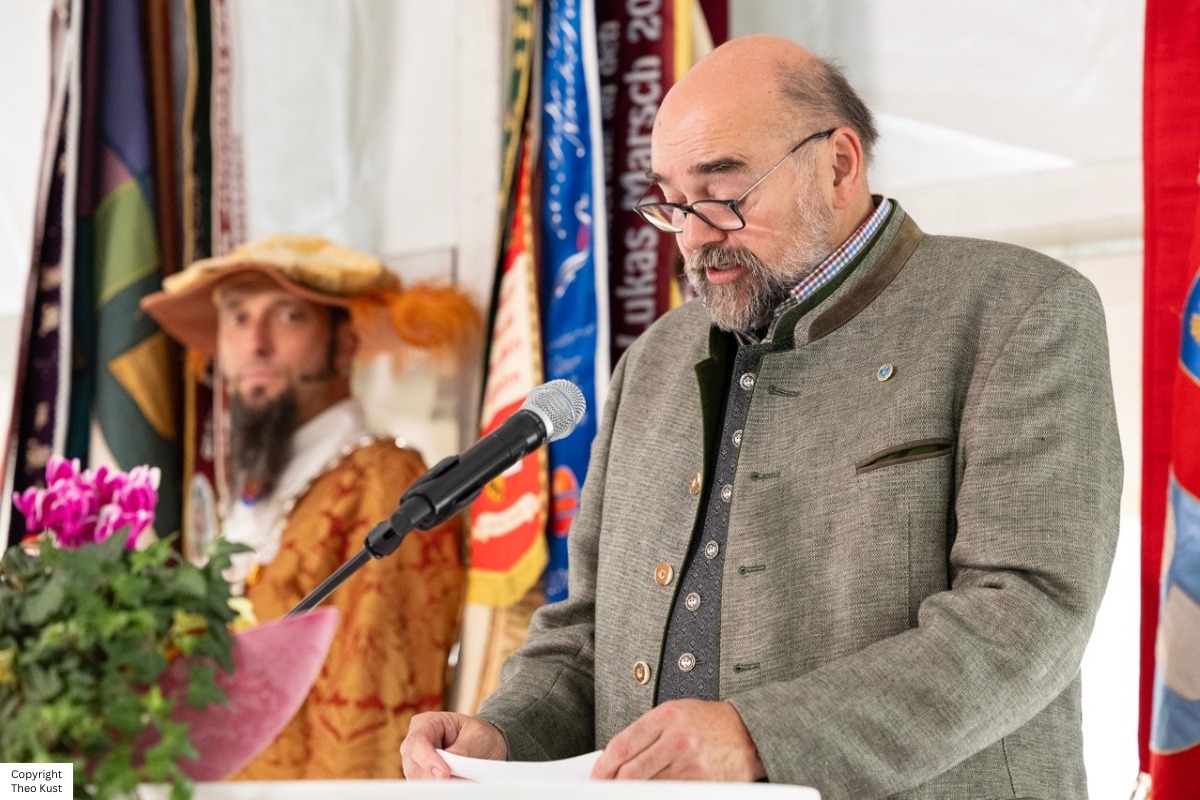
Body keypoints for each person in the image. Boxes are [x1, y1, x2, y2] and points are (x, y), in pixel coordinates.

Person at [400, 34, 1124, 800]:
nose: (693, 234)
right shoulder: (653, 360)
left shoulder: (1019, 310)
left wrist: (761, 739)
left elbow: (1027, 615)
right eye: (671, 201)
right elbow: (586, 632)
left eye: (722, 193)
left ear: (838, 165)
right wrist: (505, 737)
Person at [141, 234, 477, 779]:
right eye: (237, 317)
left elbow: (370, 723)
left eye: (288, 316)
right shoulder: (259, 492)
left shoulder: (382, 481)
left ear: (344, 345)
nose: (255, 343)